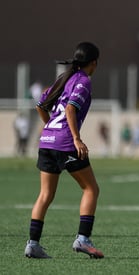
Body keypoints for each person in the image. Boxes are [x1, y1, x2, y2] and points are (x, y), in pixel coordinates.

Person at [24, 42, 104, 259]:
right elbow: (70, 108)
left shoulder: (65, 78)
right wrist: (76, 138)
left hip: (47, 141)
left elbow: (41, 103)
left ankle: (32, 244)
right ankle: (83, 239)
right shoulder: (84, 81)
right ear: (94, 63)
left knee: (45, 195)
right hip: (65, 143)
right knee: (91, 189)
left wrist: (50, 126)